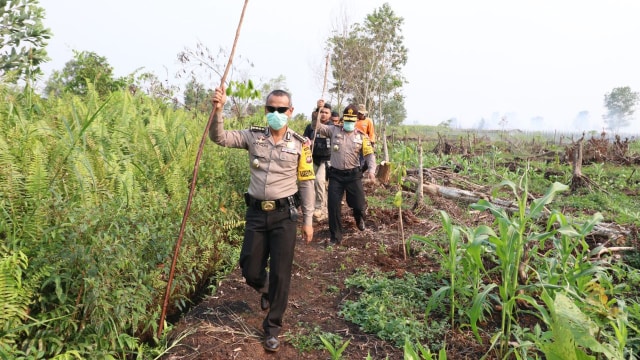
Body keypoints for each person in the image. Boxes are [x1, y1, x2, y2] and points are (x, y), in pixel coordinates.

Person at [209, 87, 315, 353]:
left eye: (282, 109)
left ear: (290, 112)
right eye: (271, 109)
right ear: (265, 110)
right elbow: (219, 138)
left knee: (282, 273)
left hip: (285, 215)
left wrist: (308, 219)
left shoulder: (301, 144)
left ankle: (272, 328)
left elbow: (306, 183)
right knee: (249, 267)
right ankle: (266, 289)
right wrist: (218, 111)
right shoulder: (253, 136)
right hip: (256, 213)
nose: (276, 114)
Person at [314, 104, 376, 245]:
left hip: (353, 175)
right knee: (333, 206)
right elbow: (317, 126)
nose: (348, 123)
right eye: (346, 120)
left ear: (355, 121)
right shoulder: (333, 130)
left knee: (359, 204)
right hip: (336, 175)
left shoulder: (362, 137)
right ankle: (335, 237)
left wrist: (371, 171)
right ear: (343, 119)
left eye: (351, 121)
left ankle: (358, 217)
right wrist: (317, 110)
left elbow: (369, 155)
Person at [303, 101, 333, 222]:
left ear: (330, 114)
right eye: (322, 112)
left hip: (326, 160)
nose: (324, 115)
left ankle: (320, 208)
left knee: (320, 182)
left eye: (326, 113)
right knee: (309, 183)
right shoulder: (311, 127)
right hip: (312, 158)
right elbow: (304, 139)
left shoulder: (332, 128)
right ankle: (309, 207)